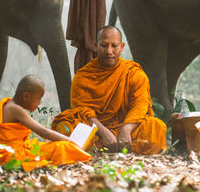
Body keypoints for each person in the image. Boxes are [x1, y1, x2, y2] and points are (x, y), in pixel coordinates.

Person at [51, 26, 167, 154]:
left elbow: (140, 106)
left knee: (156, 127)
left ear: (122, 47)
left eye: (114, 46)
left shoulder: (133, 73)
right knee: (64, 127)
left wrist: (126, 129)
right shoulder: (83, 76)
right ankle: (105, 149)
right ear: (95, 46)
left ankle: (101, 149)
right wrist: (103, 132)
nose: (109, 51)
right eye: (104, 45)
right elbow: (82, 111)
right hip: (95, 131)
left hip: (126, 128)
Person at [0, 75, 91, 171]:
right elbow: (43, 132)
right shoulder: (15, 109)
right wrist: (71, 141)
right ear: (26, 96)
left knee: (47, 147)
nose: (40, 102)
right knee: (61, 147)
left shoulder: (8, 105)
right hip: (12, 154)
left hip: (9, 150)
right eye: (39, 98)